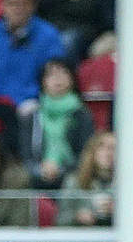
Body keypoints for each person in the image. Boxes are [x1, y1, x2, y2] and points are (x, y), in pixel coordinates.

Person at [17, 58, 92, 189]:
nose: (58, 79)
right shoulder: (32, 116)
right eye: (51, 74)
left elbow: (86, 152)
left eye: (63, 73)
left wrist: (60, 168)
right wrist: (41, 169)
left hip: (72, 173)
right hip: (37, 173)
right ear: (42, 81)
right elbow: (25, 154)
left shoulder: (82, 114)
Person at [57, 129, 113, 226]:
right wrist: (77, 217)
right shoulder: (74, 181)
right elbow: (60, 219)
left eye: (113, 148)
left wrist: (118, 212)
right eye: (102, 147)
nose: (108, 153)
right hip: (84, 238)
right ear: (92, 152)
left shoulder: (130, 184)